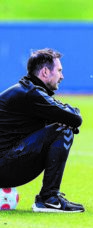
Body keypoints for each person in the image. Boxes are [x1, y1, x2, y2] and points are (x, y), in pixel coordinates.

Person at [0, 48, 84, 213]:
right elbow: (75, 119)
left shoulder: (26, 90)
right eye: (59, 71)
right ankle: (49, 198)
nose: (62, 76)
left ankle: (49, 198)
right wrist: (69, 117)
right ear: (45, 72)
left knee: (60, 125)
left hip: (6, 162)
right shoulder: (31, 94)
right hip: (4, 167)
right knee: (61, 129)